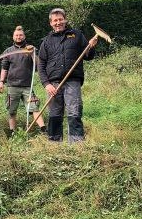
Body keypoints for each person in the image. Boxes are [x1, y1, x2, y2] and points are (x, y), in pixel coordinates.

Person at [37, 8, 98, 142]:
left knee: (74, 112)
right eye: (55, 20)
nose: (58, 22)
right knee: (54, 115)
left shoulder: (76, 35)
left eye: (60, 19)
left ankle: (76, 144)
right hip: (53, 84)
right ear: (50, 23)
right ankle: (54, 143)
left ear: (65, 20)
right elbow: (41, 65)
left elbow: (88, 56)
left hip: (73, 81)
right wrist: (46, 84)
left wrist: (91, 47)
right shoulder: (46, 41)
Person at [0, 25, 47, 136]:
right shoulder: (8, 51)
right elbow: (4, 68)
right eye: (16, 35)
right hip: (12, 86)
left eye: (20, 35)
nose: (18, 37)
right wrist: (1, 82)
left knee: (34, 107)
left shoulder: (31, 48)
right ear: (13, 37)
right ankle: (12, 132)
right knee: (11, 110)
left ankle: (44, 130)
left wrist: (32, 54)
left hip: (27, 86)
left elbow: (39, 64)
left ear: (24, 36)